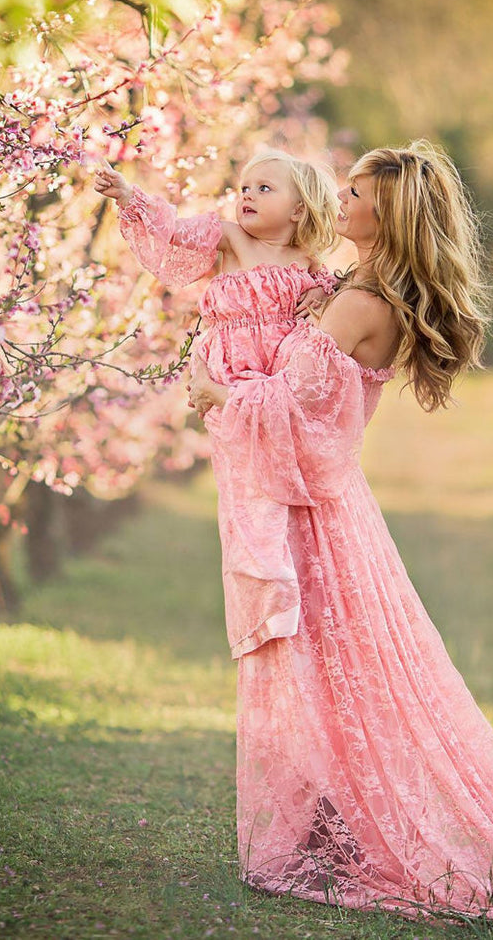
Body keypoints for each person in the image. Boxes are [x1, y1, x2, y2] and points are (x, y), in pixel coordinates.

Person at [185, 140, 493, 937]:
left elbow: (293, 415)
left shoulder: (362, 300)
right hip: (321, 505)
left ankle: (353, 832)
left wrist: (215, 393)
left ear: (387, 216)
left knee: (328, 668)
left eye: (353, 195)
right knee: (326, 671)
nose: (336, 202)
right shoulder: (348, 285)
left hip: (316, 513)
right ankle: (334, 824)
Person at [94, 150, 345, 659]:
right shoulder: (230, 239)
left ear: (300, 210)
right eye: (244, 186)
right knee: (247, 494)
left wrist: (325, 297)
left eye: (263, 188)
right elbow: (176, 231)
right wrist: (132, 197)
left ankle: (292, 578)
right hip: (231, 389)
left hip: (276, 394)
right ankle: (264, 589)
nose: (246, 194)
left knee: (281, 487)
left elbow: (340, 310)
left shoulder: (311, 269)